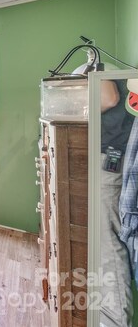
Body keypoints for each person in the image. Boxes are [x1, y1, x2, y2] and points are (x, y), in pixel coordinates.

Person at [100, 79, 134, 327]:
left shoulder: (105, 74)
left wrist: (82, 109)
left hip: (110, 158)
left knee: (108, 241)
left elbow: (109, 98)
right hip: (114, 157)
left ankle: (114, 320)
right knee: (109, 239)